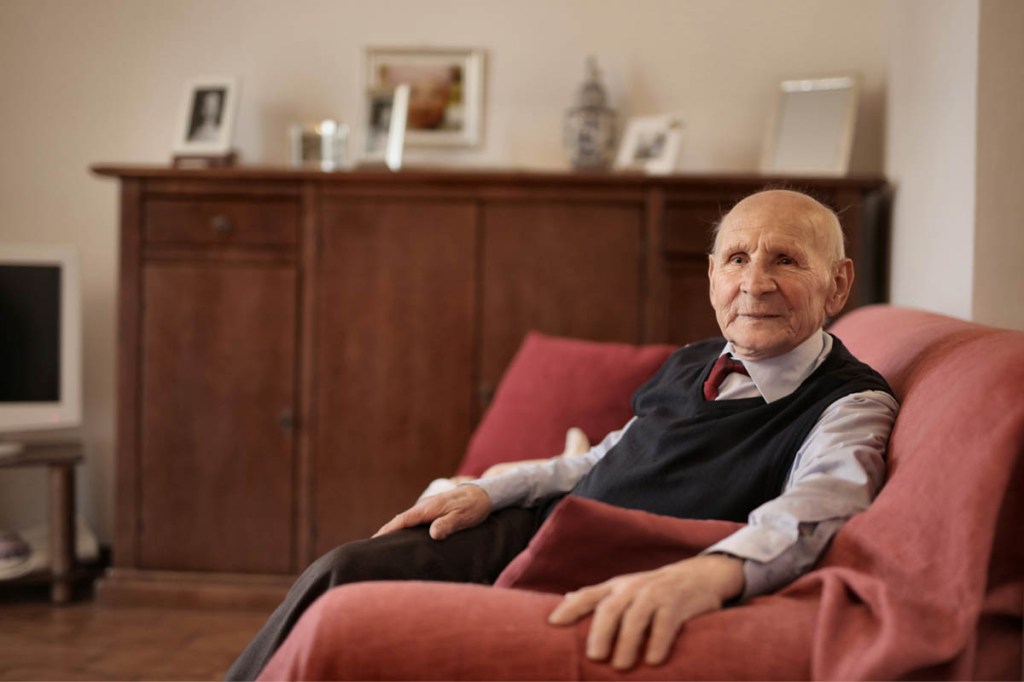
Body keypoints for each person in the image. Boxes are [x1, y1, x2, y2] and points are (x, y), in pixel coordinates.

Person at [226, 188, 898, 679]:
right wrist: (493, 489)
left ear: (837, 285)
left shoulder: (850, 400)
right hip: (544, 524)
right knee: (343, 569)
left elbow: (820, 504)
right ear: (713, 275)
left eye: (785, 260)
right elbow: (611, 453)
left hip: (608, 563)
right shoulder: (697, 358)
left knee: (355, 620)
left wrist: (712, 573)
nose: (755, 282)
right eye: (737, 258)